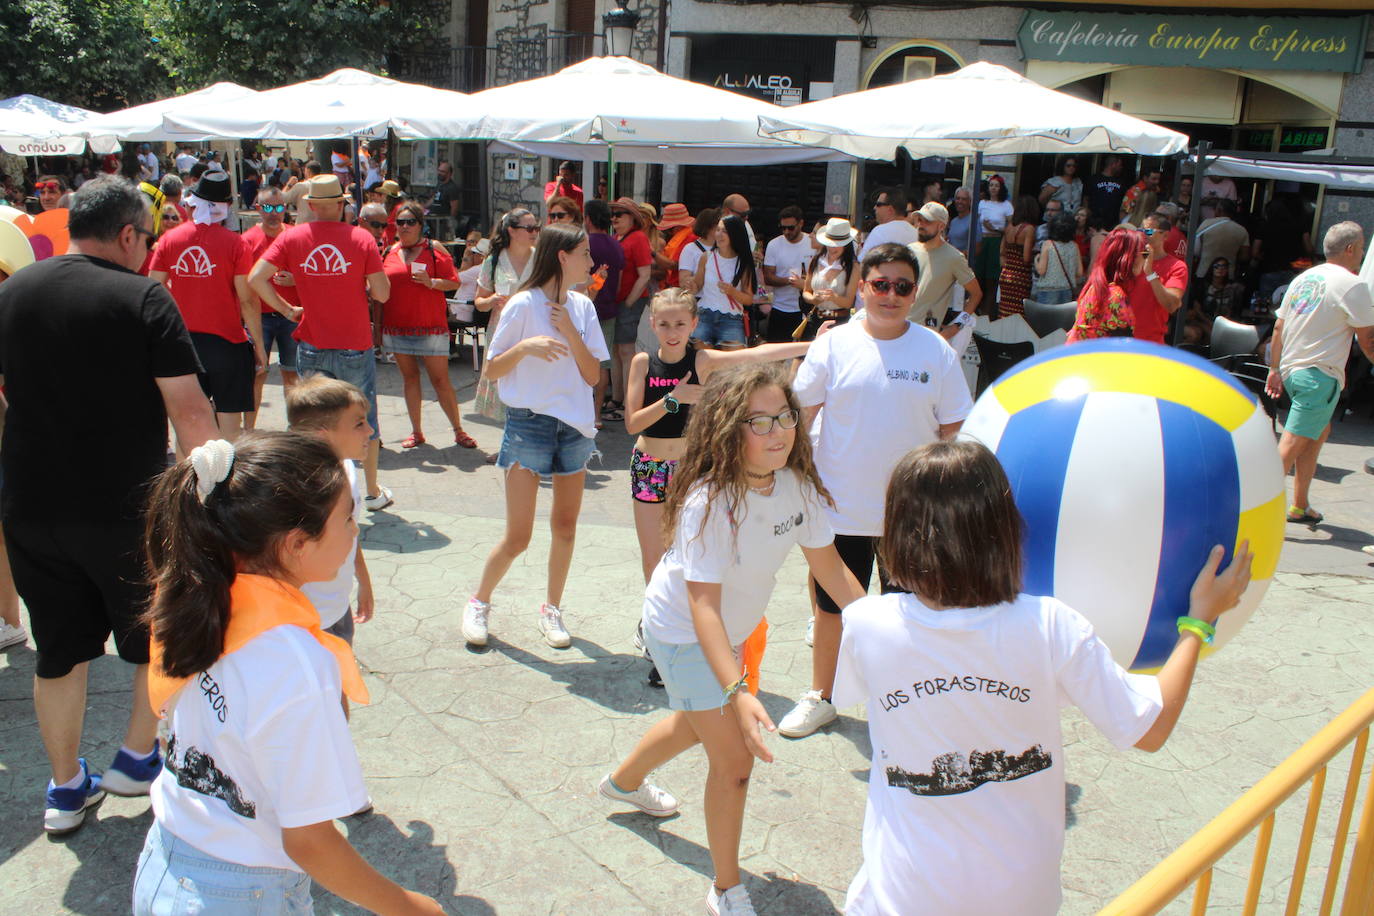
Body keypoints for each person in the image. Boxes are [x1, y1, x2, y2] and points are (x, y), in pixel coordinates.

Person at [833, 439, 1254, 916]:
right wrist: (1199, 623)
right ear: (1004, 527)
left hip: (899, 896)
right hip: (1018, 896)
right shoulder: (1050, 626)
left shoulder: (868, 623)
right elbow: (1150, 729)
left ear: (897, 534)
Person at [133, 434, 442, 915]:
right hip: (243, 893)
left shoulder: (206, 599)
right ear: (298, 544)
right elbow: (310, 841)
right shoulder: (294, 660)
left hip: (168, 859)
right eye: (347, 518)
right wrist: (409, 906)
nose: (355, 531)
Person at [601, 362, 867, 916]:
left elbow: (833, 571)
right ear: (728, 428)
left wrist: (889, 630)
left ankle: (623, 784)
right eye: (760, 422)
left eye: (785, 417)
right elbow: (702, 606)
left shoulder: (796, 486)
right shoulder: (709, 501)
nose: (779, 432)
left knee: (695, 725)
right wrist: (738, 688)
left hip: (729, 631)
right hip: (681, 631)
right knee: (734, 761)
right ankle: (724, 888)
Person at [0, 175, 218, 835]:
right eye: (146, 239)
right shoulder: (144, 296)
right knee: (161, 635)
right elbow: (191, 415)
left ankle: (65, 788)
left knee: (58, 651)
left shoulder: (10, 292)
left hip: (32, 506)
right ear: (128, 234)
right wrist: (211, 497)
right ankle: (135, 755)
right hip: (130, 506)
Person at [779, 244, 972, 740]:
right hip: (840, 506)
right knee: (829, 611)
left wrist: (946, 499)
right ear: (861, 287)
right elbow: (801, 416)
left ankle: (901, 705)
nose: (890, 295)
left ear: (915, 293)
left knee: (910, 611)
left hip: (912, 512)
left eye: (902, 287)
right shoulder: (832, 344)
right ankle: (823, 696)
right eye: (880, 284)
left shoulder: (935, 350)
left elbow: (955, 429)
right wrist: (795, 480)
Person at [464, 223, 608, 647]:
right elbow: (491, 369)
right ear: (562, 256)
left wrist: (567, 331)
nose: (590, 261)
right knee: (518, 535)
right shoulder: (522, 305)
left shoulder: (582, 308)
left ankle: (552, 609)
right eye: (584, 253)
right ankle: (479, 601)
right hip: (529, 424)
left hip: (576, 428)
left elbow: (592, 373)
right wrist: (526, 348)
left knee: (565, 527)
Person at [624, 288, 815, 582]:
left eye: (679, 324)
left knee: (690, 549)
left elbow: (756, 354)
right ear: (652, 324)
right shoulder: (643, 362)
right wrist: (673, 399)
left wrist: (811, 345)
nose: (672, 332)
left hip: (691, 469)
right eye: (664, 324)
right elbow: (633, 423)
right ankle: (653, 622)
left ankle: (689, 618)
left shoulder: (701, 360)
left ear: (693, 323)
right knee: (654, 555)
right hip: (650, 466)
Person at [249, 174, 393, 511]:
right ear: (342, 205)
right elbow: (383, 293)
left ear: (310, 205)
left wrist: (286, 310)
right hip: (353, 343)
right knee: (363, 419)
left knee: (309, 421)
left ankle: (310, 491)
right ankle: (370, 492)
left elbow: (257, 278)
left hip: (312, 340)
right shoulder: (360, 238)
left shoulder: (293, 237)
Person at [1264, 222, 1374, 524]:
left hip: (1293, 371)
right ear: (1350, 249)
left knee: (1317, 434)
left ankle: (1299, 505)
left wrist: (1274, 368)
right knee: (1289, 445)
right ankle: (1251, 511)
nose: (1363, 253)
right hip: (1318, 377)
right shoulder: (1352, 285)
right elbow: (1368, 339)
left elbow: (1278, 327)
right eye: (1363, 247)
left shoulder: (1304, 279)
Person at [149, 172, 264, 442]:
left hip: (183, 342)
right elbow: (247, 299)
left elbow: (153, 288)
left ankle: (187, 483)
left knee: (187, 428)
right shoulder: (236, 243)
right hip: (227, 341)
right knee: (229, 429)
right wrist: (259, 345)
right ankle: (226, 483)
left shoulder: (169, 239)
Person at [287, 378, 376, 649]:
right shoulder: (302, 489)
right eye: (359, 423)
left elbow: (349, 533)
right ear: (323, 435)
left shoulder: (346, 467)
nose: (370, 431)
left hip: (338, 607)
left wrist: (363, 579)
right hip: (305, 622)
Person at [380, 201, 476, 450]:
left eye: (410, 222)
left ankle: (458, 430)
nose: (404, 226)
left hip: (430, 325)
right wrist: (376, 328)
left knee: (440, 380)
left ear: (421, 226)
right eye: (400, 222)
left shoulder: (434, 249)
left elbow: (453, 282)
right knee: (409, 379)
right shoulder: (389, 251)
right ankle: (416, 432)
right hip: (397, 326)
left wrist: (431, 281)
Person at [474, 209, 539, 426]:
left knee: (530, 382)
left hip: (533, 328)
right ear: (511, 230)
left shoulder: (540, 258)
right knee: (504, 381)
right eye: (529, 228)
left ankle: (525, 441)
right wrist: (491, 300)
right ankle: (508, 443)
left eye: (536, 227)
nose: (534, 232)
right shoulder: (494, 260)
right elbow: (479, 302)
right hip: (502, 329)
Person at [242, 188, 299, 429]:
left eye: (278, 208)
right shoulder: (247, 240)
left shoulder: (296, 236)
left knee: (292, 375)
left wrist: (295, 279)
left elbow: (309, 272)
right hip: (259, 317)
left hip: (292, 316)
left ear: (285, 209)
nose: (273, 213)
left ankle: (295, 429)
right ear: (258, 209)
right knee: (258, 374)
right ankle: (249, 430)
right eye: (268, 208)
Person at [909, 201, 981, 344]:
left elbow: (976, 294)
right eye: (920, 219)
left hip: (927, 337)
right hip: (900, 329)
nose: (921, 225)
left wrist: (956, 326)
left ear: (941, 226)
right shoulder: (909, 250)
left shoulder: (954, 257)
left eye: (927, 221)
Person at [610, 197, 654, 412]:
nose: (614, 218)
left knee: (626, 351)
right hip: (619, 302)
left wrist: (628, 302)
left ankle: (629, 402)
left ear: (632, 218)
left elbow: (644, 274)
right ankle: (618, 398)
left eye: (620, 214)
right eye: (613, 214)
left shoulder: (638, 238)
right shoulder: (619, 237)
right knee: (617, 351)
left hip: (629, 302)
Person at [1066, 226, 1144, 343]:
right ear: (1128, 258)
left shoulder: (1098, 286)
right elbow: (1125, 347)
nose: (1146, 258)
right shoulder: (1115, 295)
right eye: (1144, 253)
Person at [585, 199, 625, 421]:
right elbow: (618, 284)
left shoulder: (584, 243)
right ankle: (597, 415)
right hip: (608, 309)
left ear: (587, 218)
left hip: (584, 310)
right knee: (603, 363)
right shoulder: (616, 244)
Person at [691, 215, 755, 351]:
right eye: (718, 230)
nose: (719, 235)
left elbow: (749, 299)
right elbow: (697, 286)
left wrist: (732, 291)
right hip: (704, 315)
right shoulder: (706, 257)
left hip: (731, 318)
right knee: (700, 361)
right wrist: (690, 285)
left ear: (735, 234)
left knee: (733, 366)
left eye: (724, 231)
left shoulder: (743, 263)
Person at [1128, 211, 1188, 344]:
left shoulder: (1177, 266)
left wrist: (1150, 273)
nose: (1143, 234)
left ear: (1165, 235)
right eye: (1141, 230)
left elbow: (1171, 305)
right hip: (1120, 338)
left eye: (1148, 231)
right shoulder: (1132, 258)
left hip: (1149, 343)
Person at [761, 205, 815, 342]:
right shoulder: (774, 244)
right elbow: (768, 277)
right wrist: (790, 281)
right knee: (775, 353)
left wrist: (805, 284)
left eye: (790, 228)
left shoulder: (812, 243)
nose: (786, 232)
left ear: (801, 224)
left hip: (806, 308)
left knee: (802, 355)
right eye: (783, 228)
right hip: (780, 307)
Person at [801, 218, 861, 339]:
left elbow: (849, 302)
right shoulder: (816, 260)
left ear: (846, 244)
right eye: (829, 243)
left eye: (837, 245)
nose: (832, 248)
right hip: (815, 321)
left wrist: (833, 297)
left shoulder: (853, 267)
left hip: (839, 323)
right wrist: (813, 299)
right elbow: (806, 292)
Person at [1184, 257, 1245, 346]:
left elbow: (1232, 309)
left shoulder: (1232, 288)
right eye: (1217, 266)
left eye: (1224, 266)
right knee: (1211, 334)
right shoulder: (1202, 285)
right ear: (1211, 268)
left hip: (1223, 322)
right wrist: (1209, 322)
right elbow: (1197, 309)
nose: (1220, 269)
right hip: (1202, 320)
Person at [996, 196, 1038, 317]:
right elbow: (1026, 258)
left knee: (1004, 311)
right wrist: (1036, 254)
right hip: (1020, 277)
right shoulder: (1029, 229)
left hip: (1006, 273)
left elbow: (1002, 252)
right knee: (1018, 315)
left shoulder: (1009, 227)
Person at [974, 175, 1012, 306]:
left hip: (996, 241)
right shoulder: (982, 203)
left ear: (1001, 188)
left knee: (992, 278)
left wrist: (995, 229)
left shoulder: (1006, 205)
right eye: (991, 185)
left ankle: (989, 310)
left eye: (996, 185)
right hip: (982, 240)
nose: (994, 188)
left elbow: (1011, 227)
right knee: (978, 275)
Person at [1193, 198, 1250, 283]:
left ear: (1219, 210)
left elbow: (1195, 251)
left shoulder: (1206, 224)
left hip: (1204, 272)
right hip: (1228, 275)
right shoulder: (1242, 230)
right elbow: (1244, 257)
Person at [1032, 212, 1083, 306]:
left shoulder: (1048, 244)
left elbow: (1041, 271)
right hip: (1067, 289)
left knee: (1046, 319)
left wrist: (1036, 259)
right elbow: (1079, 272)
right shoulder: (1074, 246)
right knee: (1063, 320)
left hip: (1048, 290)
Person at [858, 187, 918, 259]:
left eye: (878, 204)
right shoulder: (916, 233)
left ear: (890, 209)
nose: (874, 208)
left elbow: (862, 261)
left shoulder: (880, 231)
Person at [656, 203, 695, 289]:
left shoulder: (689, 237)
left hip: (679, 288)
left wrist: (652, 253)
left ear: (677, 227)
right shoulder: (686, 235)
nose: (668, 233)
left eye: (669, 229)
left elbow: (674, 265)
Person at [1086, 155, 1127, 225]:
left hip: (1113, 222)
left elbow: (1124, 202)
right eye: (1119, 165)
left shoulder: (1121, 182)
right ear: (1113, 165)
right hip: (1095, 220)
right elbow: (1086, 198)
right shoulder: (1094, 179)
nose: (1121, 167)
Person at [946, 187, 979, 257]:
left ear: (970, 202)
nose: (960, 201)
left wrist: (958, 255)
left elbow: (977, 248)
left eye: (964, 199)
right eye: (958, 198)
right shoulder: (953, 222)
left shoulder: (974, 222)